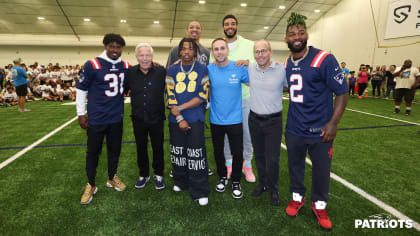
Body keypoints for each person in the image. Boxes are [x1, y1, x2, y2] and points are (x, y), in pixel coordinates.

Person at [283, 13, 349, 230]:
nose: (297, 37)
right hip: (294, 128)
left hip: (320, 129)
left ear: (307, 35)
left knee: (321, 169)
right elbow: (293, 86)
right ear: (286, 39)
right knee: (295, 167)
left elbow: (342, 91)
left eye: (301, 32)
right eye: (292, 34)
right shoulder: (287, 61)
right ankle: (297, 196)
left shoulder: (324, 59)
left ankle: (319, 205)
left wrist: (334, 122)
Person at [76, 33, 130, 205]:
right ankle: (91, 184)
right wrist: (80, 113)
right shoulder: (93, 64)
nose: (115, 50)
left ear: (122, 49)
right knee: (93, 153)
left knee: (115, 151)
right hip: (97, 118)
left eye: (118, 47)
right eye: (111, 46)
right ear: (105, 46)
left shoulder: (125, 65)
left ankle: (111, 177)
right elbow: (81, 89)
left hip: (116, 117)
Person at [166, 38, 210, 206]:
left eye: (190, 49)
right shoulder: (171, 70)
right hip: (175, 120)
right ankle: (181, 181)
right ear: (179, 52)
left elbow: (202, 95)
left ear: (195, 52)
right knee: (178, 153)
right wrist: (179, 118)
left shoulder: (202, 69)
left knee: (196, 155)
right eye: (183, 49)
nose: (186, 52)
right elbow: (170, 97)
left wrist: (181, 109)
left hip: (195, 118)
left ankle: (200, 190)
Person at [217, 14, 256, 183]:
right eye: (226, 24)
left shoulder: (249, 44)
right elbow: (213, 68)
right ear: (223, 27)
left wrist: (248, 62)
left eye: (233, 23)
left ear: (237, 26)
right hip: (224, 100)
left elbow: (259, 64)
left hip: (245, 97)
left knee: (247, 133)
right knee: (225, 134)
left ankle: (247, 164)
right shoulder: (218, 46)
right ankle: (229, 162)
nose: (230, 26)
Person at [208, 38, 249, 199]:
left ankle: (236, 181)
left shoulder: (238, 67)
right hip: (216, 119)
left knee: (237, 152)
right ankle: (223, 177)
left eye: (222, 48)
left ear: (227, 50)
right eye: (216, 49)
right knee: (218, 152)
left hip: (235, 119)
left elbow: (256, 79)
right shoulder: (208, 69)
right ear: (212, 52)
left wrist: (248, 62)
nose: (219, 52)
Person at [248, 40, 287, 205]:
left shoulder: (281, 69)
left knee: (273, 158)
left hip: (273, 121)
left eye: (264, 51)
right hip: (254, 119)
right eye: (257, 52)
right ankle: (263, 184)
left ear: (270, 52)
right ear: (254, 54)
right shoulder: (250, 68)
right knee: (259, 156)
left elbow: (287, 87)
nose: (260, 54)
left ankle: (273, 188)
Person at [126, 43, 166, 190]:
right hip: (138, 118)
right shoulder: (130, 73)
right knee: (140, 148)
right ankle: (144, 174)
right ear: (137, 57)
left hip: (156, 118)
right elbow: (121, 89)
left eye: (147, 55)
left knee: (158, 148)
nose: (144, 58)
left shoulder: (161, 71)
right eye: (141, 55)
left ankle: (159, 174)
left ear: (152, 57)